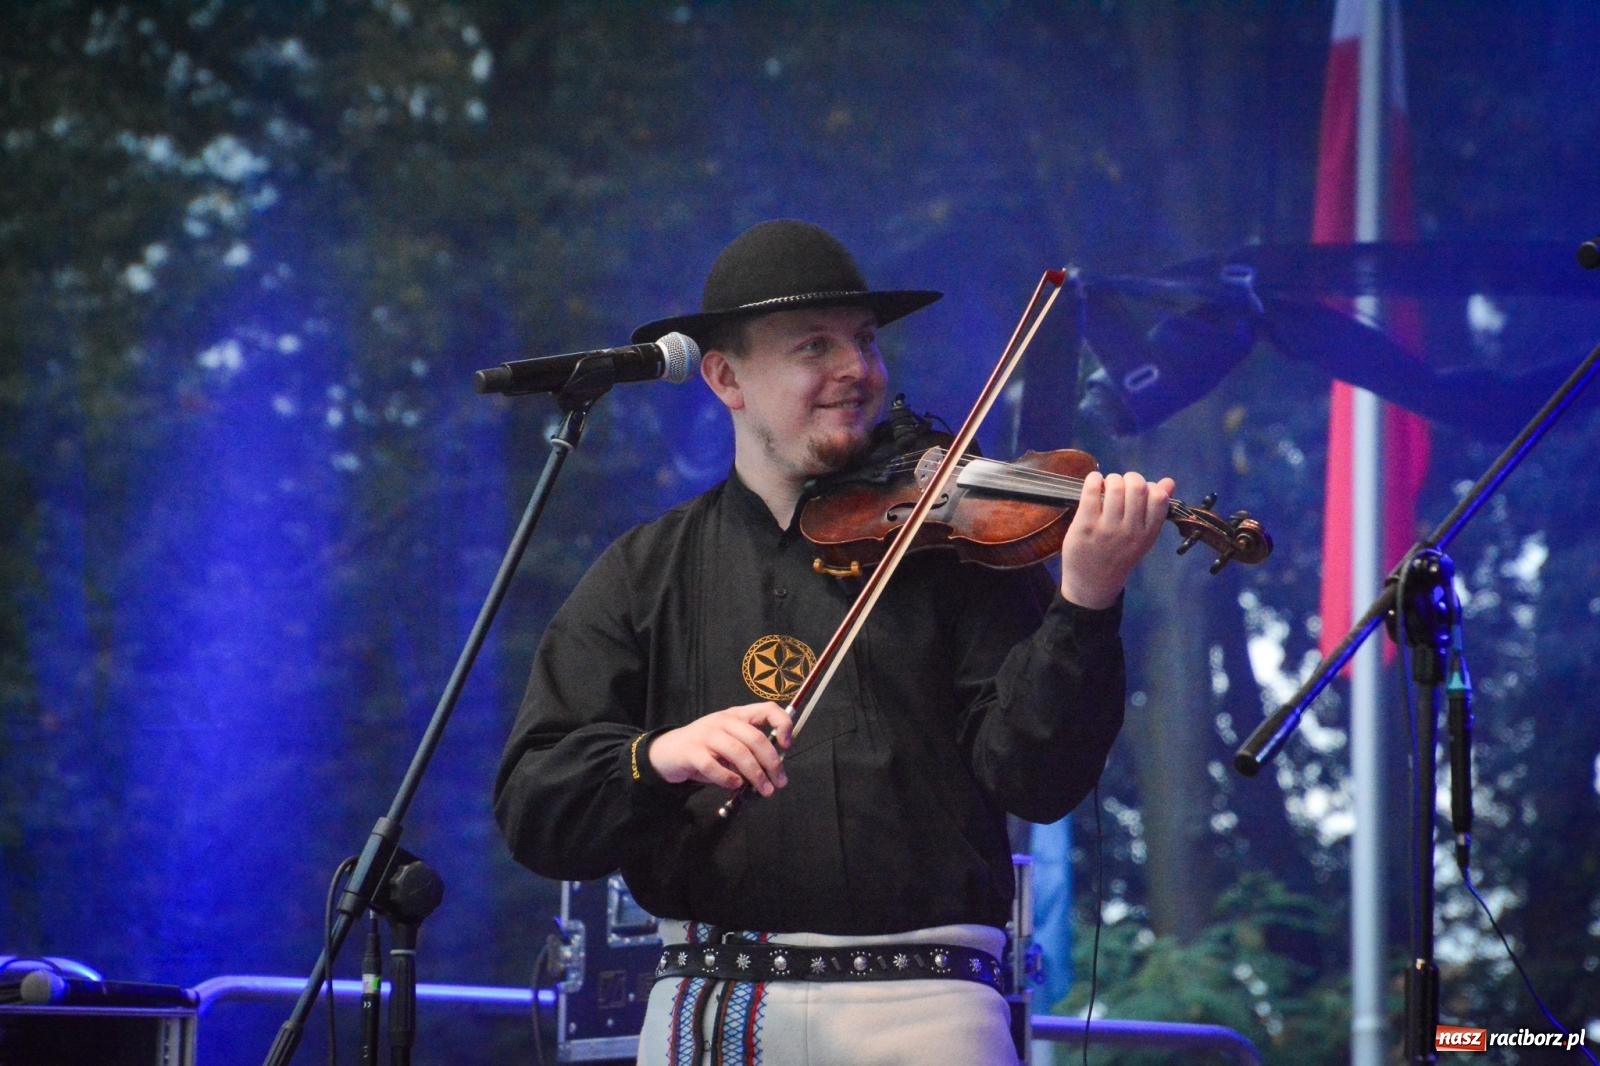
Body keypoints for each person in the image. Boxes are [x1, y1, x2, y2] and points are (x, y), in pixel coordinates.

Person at [493, 219, 1174, 1066]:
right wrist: (658, 753)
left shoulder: (954, 548)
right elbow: (534, 806)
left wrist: (1085, 601)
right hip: (711, 1006)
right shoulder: (646, 571)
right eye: (814, 347)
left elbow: (1037, 778)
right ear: (725, 377)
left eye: (864, 343)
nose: (858, 371)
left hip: (926, 1009)